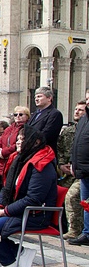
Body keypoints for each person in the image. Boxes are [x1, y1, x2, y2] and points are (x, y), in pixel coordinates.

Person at [0, 126, 57, 267]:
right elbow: (6, 189)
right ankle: (20, 252)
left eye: (22, 139)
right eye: (17, 139)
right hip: (17, 208)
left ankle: (9, 262)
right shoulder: (19, 158)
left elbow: (33, 199)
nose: (17, 142)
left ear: (36, 142)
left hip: (35, 214)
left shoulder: (42, 165)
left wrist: (3, 212)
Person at [58, 101, 87, 239]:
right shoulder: (68, 131)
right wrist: (61, 165)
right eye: (76, 109)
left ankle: (75, 230)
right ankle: (63, 225)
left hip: (82, 172)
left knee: (73, 196)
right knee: (58, 194)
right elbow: (60, 149)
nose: (77, 112)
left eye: (81, 110)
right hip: (68, 173)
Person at [0, 106, 28, 193]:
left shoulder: (26, 129)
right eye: (15, 114)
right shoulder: (9, 128)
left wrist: (4, 152)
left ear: (27, 116)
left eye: (21, 114)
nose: (18, 116)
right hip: (2, 162)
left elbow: (18, 144)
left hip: (13, 161)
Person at [69, 98, 89, 246]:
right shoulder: (83, 120)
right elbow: (76, 143)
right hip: (82, 170)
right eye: (87, 98)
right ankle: (87, 233)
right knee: (85, 204)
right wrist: (73, 163)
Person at [28, 86, 64, 157]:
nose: (36, 99)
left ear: (49, 98)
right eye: (35, 97)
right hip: (31, 152)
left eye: (39, 96)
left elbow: (47, 134)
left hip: (44, 153)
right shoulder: (35, 114)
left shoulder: (55, 114)